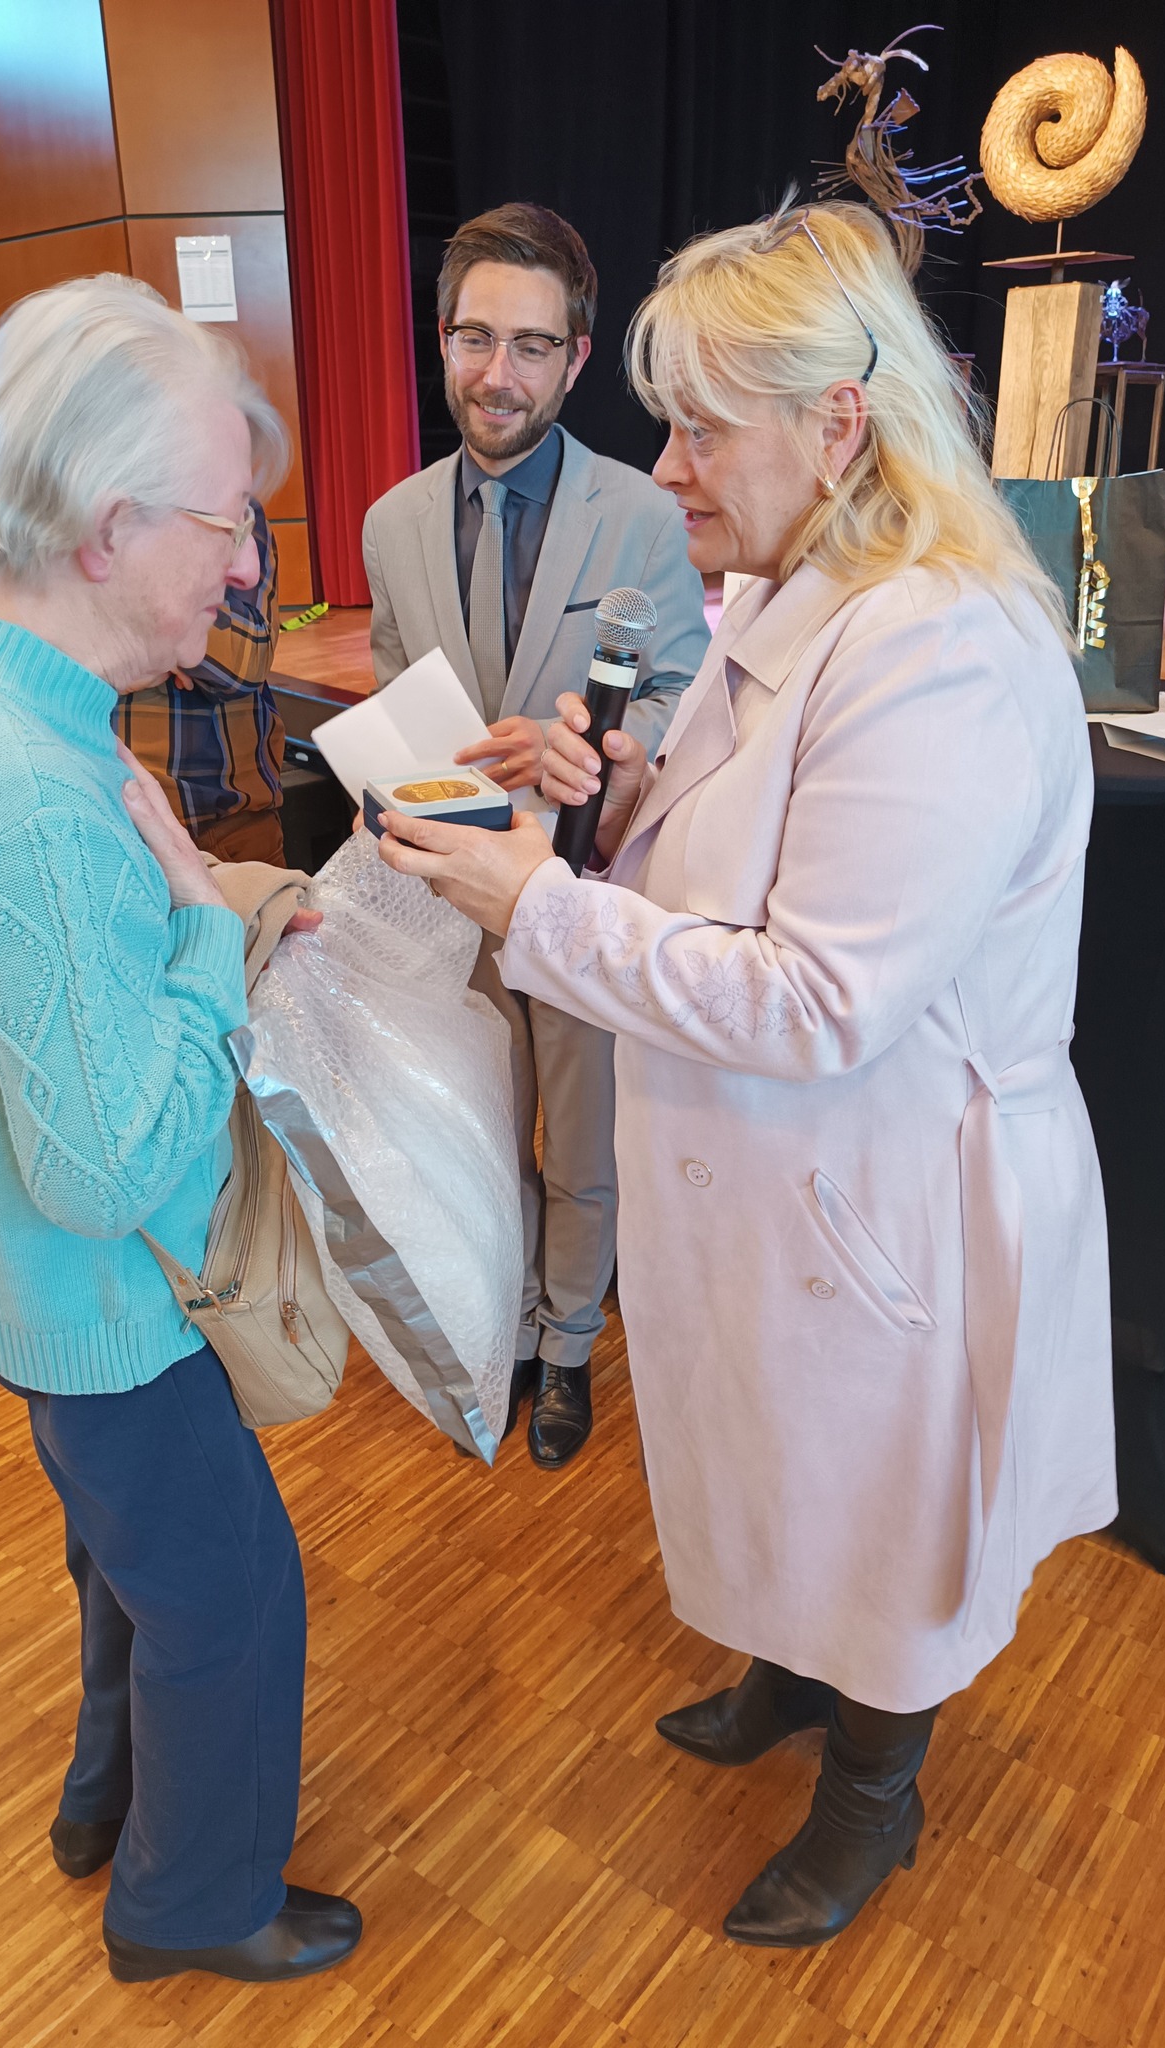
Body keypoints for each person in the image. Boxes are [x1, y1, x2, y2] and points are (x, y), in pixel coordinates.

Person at [375, 200, 1116, 1949]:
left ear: (837, 424)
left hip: (886, 1181)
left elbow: (822, 995)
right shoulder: (797, 588)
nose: (668, 465)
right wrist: (625, 793)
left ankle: (875, 1791)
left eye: (704, 427)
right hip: (783, 1165)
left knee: (881, 1502)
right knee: (787, 1465)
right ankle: (793, 1670)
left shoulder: (936, 640)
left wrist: (538, 903)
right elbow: (740, 844)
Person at [0, 275, 360, 1987]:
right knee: (230, 1591)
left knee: (132, 1550)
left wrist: (184, 916)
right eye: (227, 522)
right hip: (89, 1292)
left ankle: (103, 1796)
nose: (248, 568)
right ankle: (186, 1906)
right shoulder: (34, 793)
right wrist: (203, 935)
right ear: (112, 528)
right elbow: (109, 1168)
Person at [362, 202, 708, 1468]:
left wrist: (606, 751)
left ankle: (568, 1342)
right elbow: (398, 693)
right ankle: (507, 1320)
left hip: (580, 889)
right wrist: (391, 780)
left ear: (576, 358)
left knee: (583, 1138)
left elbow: (683, 690)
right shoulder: (391, 522)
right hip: (452, 892)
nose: (497, 373)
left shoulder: (645, 514)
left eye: (531, 345)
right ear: (441, 338)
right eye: (474, 338)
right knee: (483, 1127)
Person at [113, 499, 289, 866]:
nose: (246, 573)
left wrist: (122, 631)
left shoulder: (230, 503)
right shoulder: (59, 510)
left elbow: (245, 657)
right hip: (107, 826)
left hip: (226, 828)